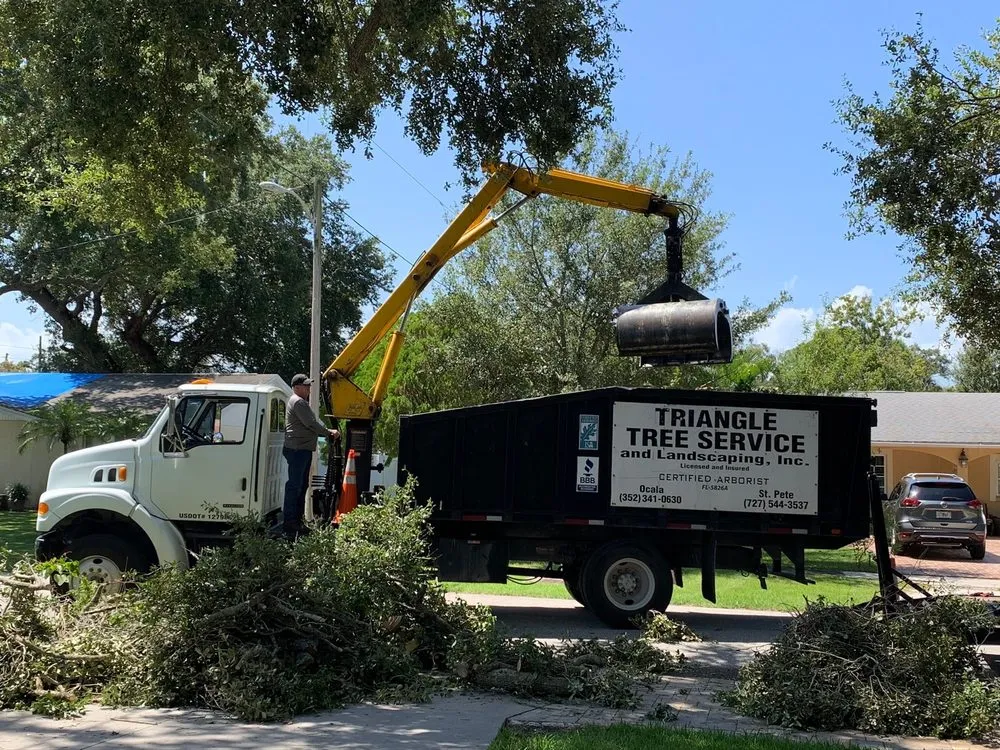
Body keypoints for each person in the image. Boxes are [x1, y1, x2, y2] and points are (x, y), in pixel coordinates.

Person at [280, 373, 339, 537]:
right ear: (296, 387)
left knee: (301, 486)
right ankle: (291, 523)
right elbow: (311, 424)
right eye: (305, 385)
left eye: (309, 385)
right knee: (295, 487)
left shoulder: (299, 402)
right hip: (298, 450)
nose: (308, 388)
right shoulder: (298, 402)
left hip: (301, 450)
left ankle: (296, 522)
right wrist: (329, 432)